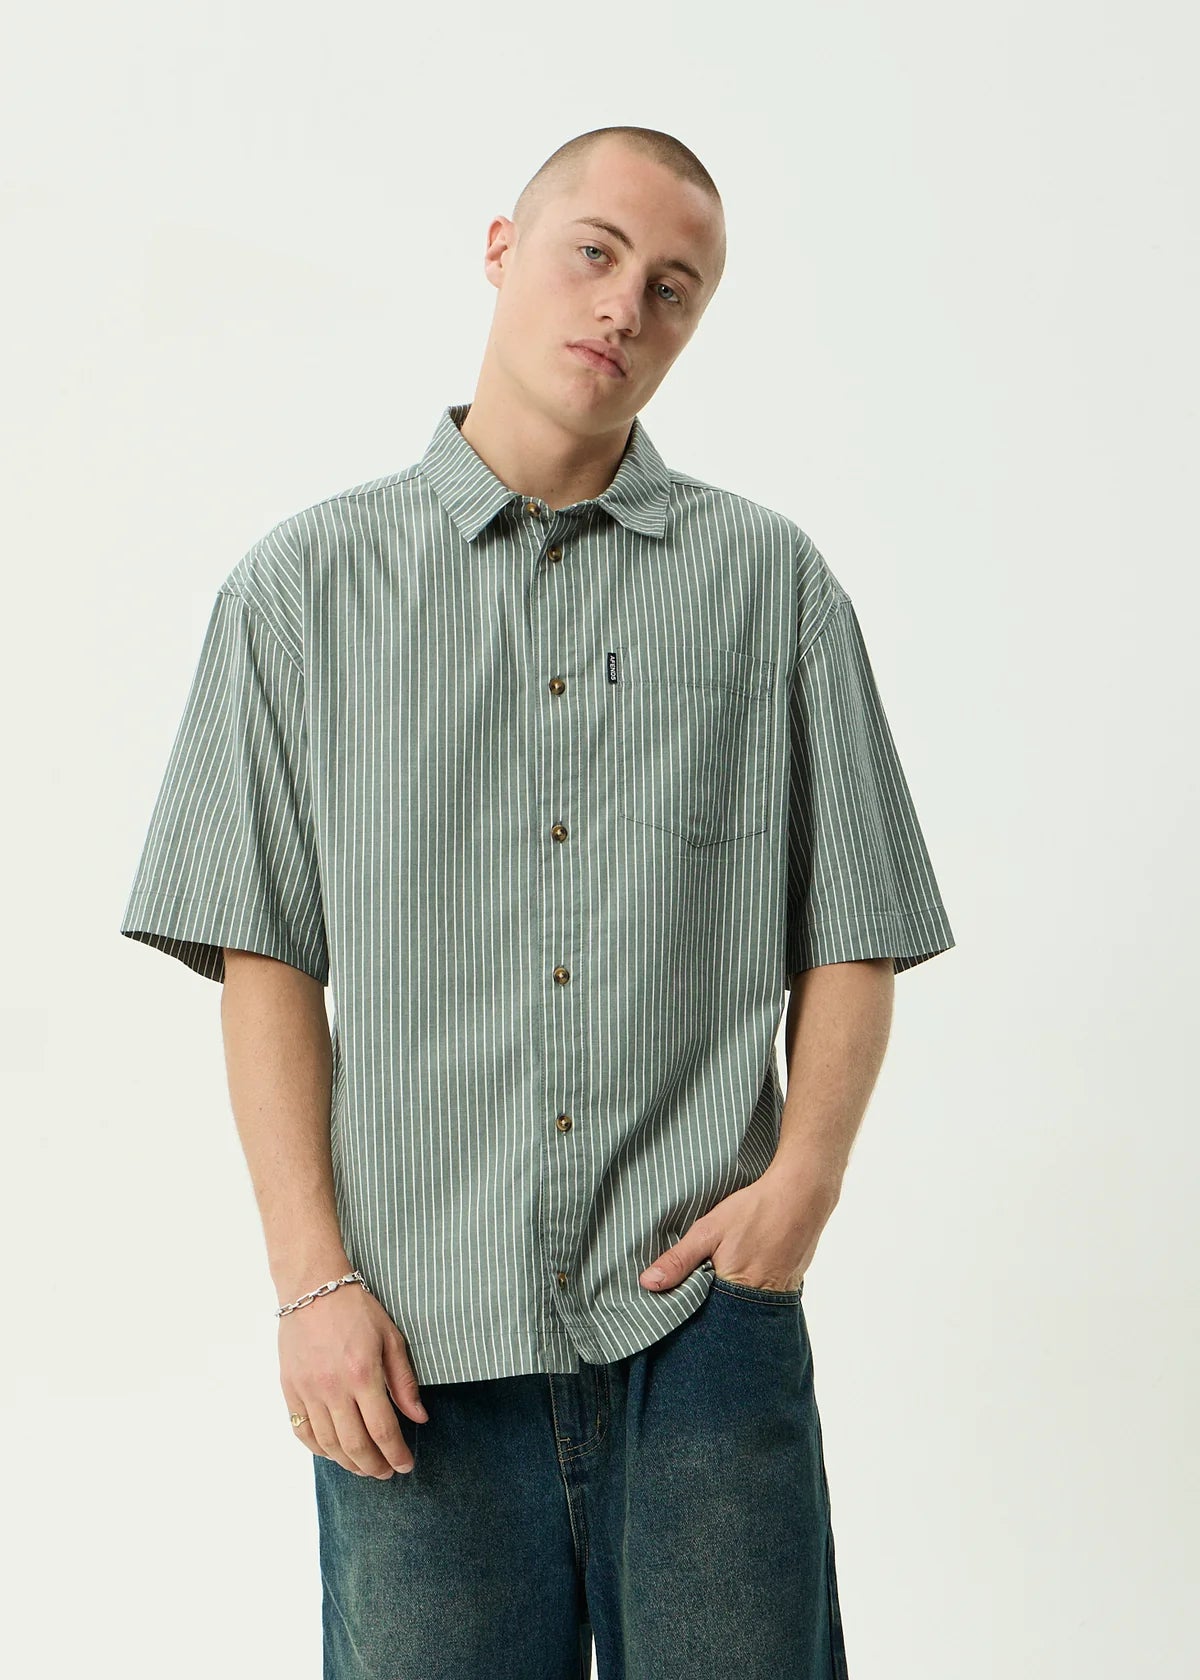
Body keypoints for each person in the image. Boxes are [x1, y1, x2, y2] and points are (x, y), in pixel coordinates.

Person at [119, 124, 955, 1679]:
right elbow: (266, 957)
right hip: (409, 1345)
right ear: (502, 249)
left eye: (675, 286)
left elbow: (857, 921)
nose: (627, 304)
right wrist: (310, 1285)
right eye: (596, 252)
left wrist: (803, 1191)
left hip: (701, 1325)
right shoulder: (301, 593)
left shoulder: (770, 585)